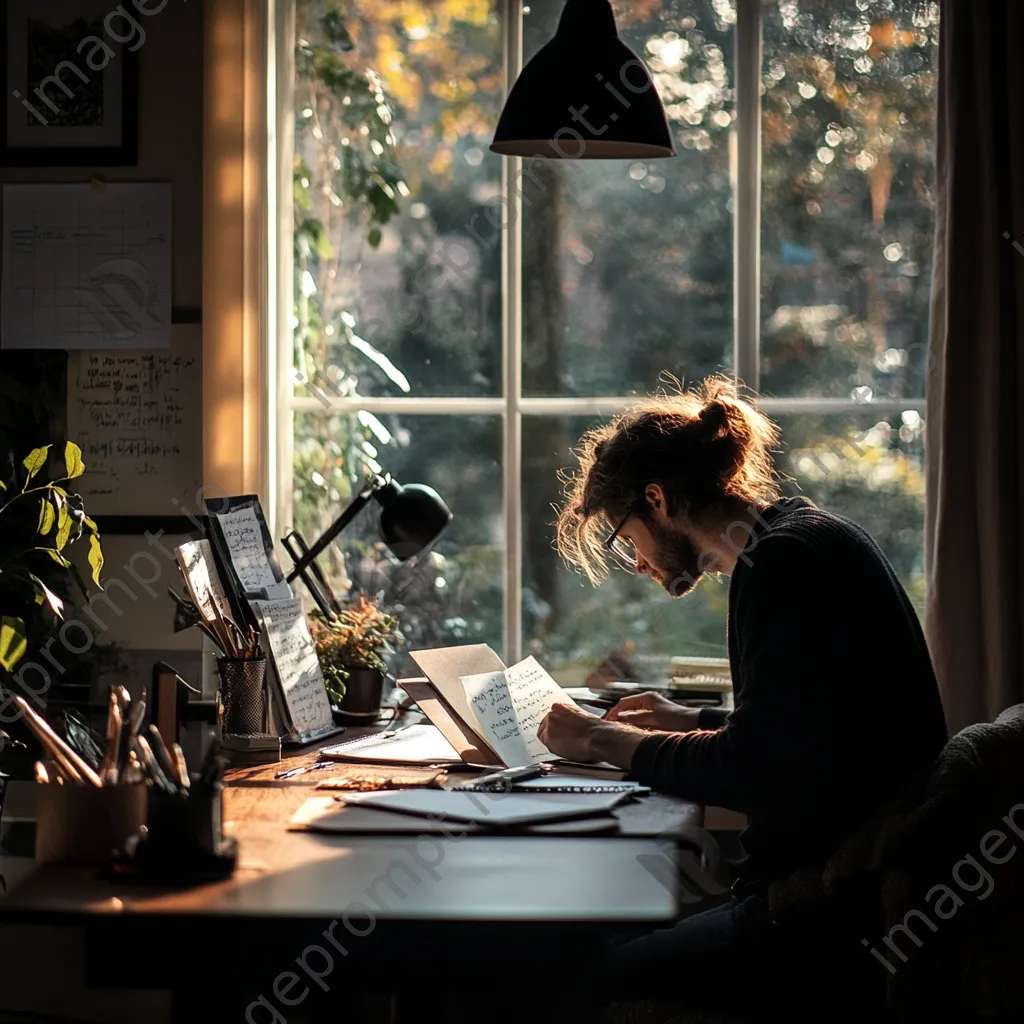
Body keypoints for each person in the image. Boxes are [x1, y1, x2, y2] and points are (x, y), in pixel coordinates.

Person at [537, 375, 948, 1015]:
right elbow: (814, 727)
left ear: (658, 499)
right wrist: (693, 717)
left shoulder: (778, 569)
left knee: (582, 979)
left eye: (626, 537)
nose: (637, 562)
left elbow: (753, 769)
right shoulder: (800, 538)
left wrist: (599, 738)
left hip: (823, 916)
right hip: (848, 889)